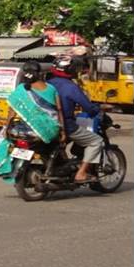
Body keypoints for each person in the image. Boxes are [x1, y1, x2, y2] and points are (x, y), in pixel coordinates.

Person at [0, 60, 64, 181]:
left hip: (26, 132)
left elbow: (12, 112)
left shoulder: (21, 89)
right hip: (50, 130)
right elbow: (59, 110)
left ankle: (1, 167)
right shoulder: (52, 89)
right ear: (40, 73)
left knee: (3, 136)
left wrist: (6, 128)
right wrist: (62, 131)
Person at [48, 55, 106, 183]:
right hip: (66, 125)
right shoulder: (71, 87)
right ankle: (81, 173)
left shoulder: (47, 83)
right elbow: (88, 107)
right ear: (70, 70)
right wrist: (97, 109)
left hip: (47, 124)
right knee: (96, 141)